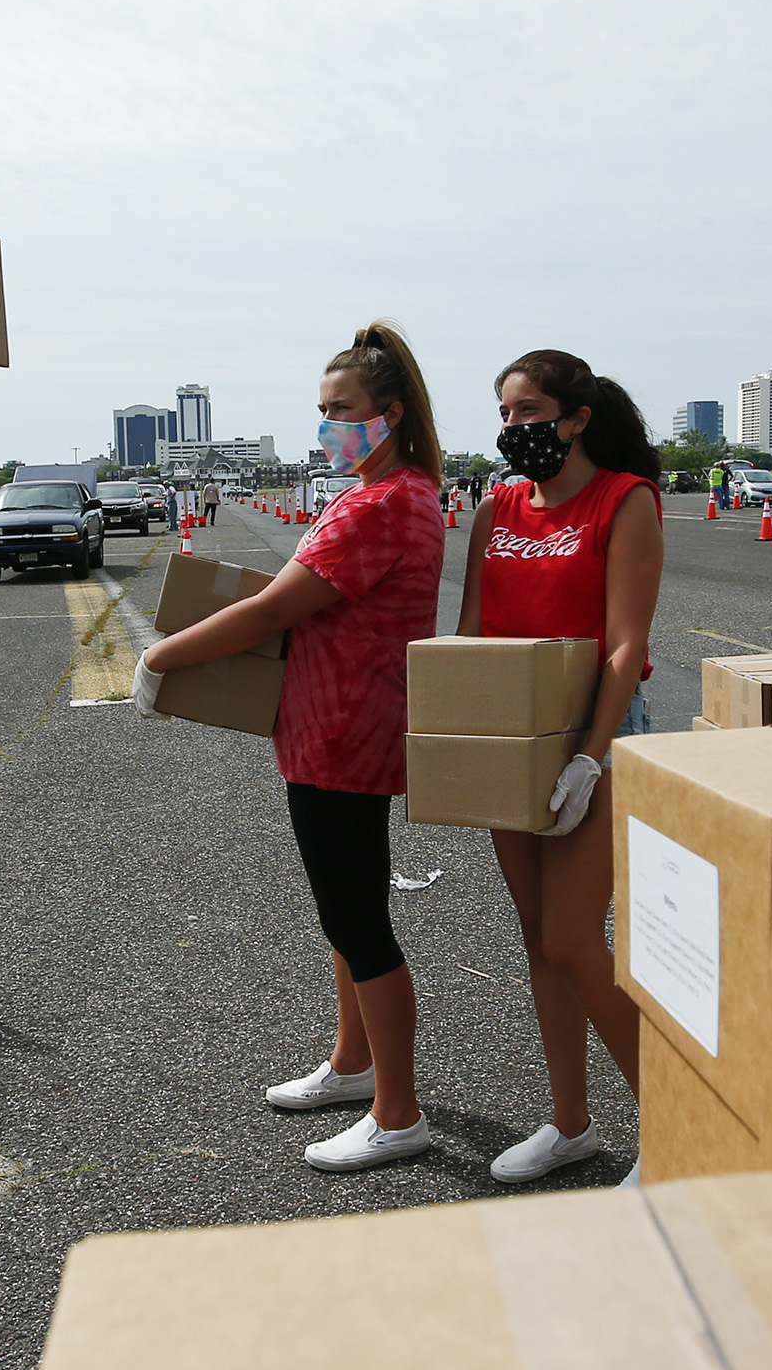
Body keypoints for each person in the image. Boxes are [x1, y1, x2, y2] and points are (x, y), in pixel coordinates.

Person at [133, 323, 446, 1172]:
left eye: (341, 410)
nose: (327, 427)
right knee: (346, 914)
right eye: (321, 411)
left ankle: (399, 1110)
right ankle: (354, 1066)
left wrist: (164, 654)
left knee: (356, 919)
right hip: (328, 723)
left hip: (346, 728)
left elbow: (277, 607)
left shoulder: (385, 502)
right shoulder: (385, 492)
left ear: (389, 412)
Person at [457, 350, 666, 1184]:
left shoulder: (626, 501)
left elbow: (625, 647)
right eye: (505, 415)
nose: (515, 430)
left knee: (577, 938)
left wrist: (588, 758)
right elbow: (470, 634)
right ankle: (570, 1122)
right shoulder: (494, 508)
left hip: (597, 735)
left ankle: (681, 1124)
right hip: (512, 738)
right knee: (539, 940)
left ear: (577, 418)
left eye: (530, 412)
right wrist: (455, 740)